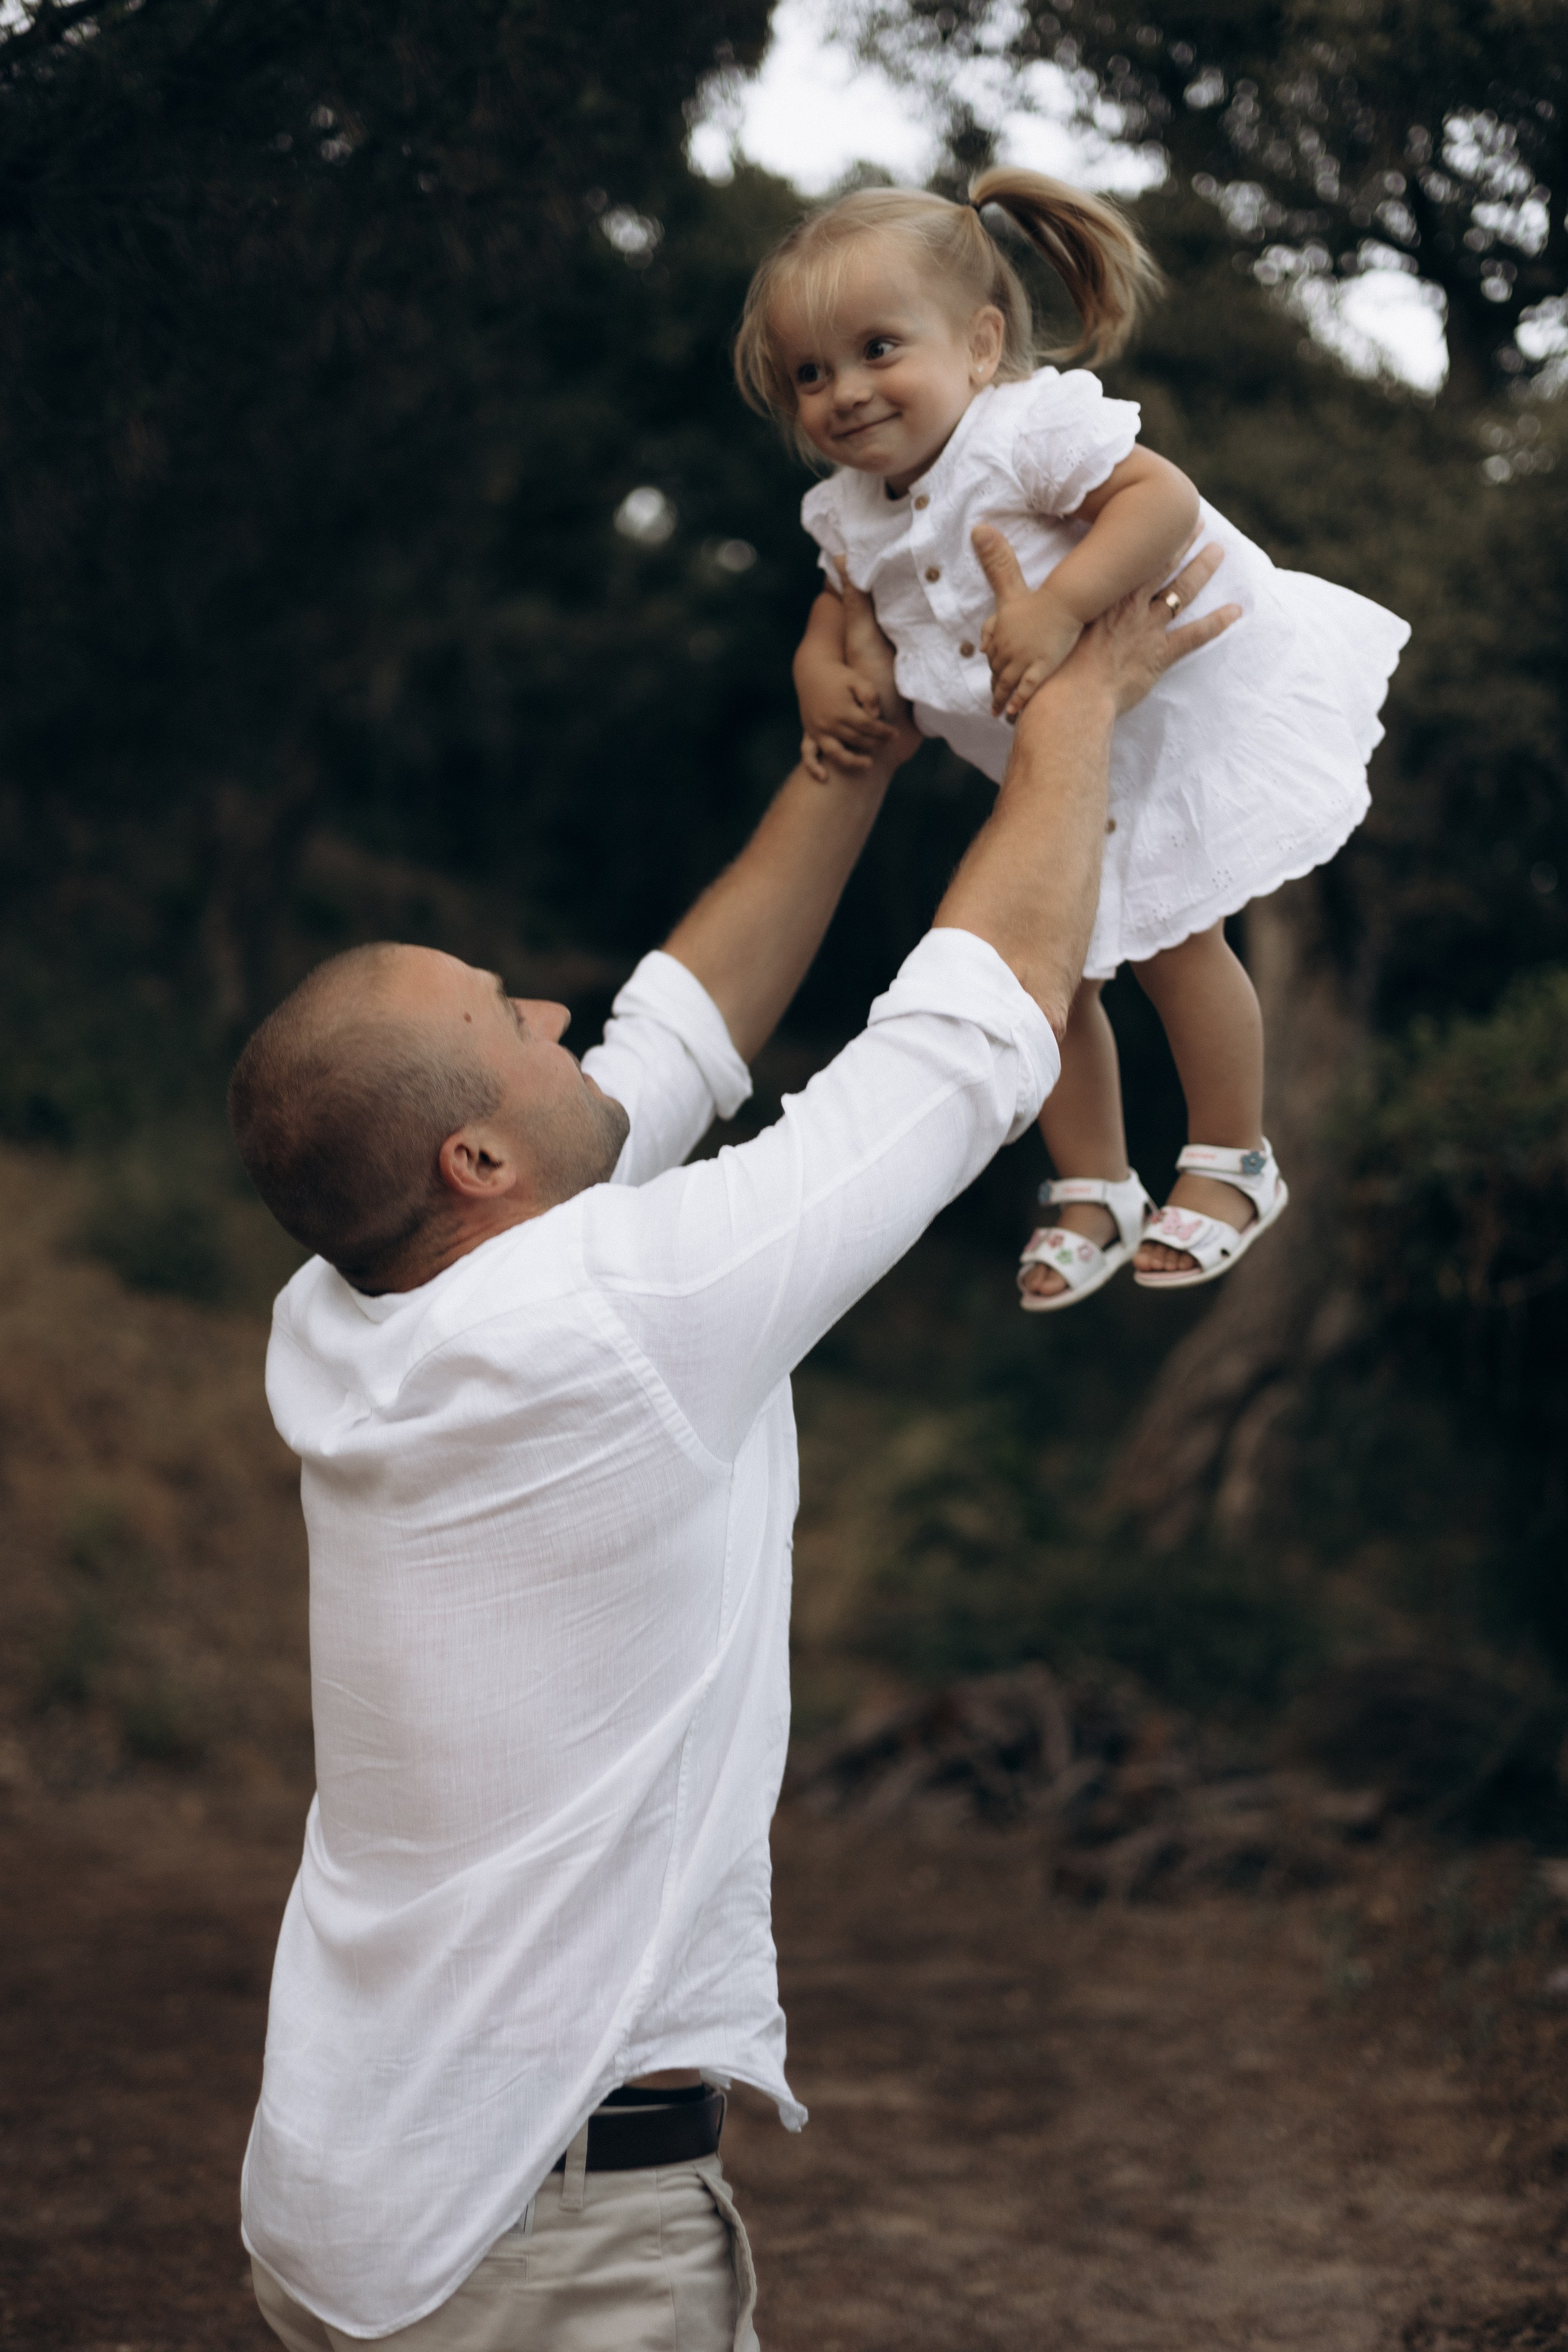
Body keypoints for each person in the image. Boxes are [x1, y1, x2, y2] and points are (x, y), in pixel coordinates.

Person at [227, 543, 1236, 2352]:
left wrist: (843, 765)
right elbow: (968, 1030)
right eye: (504, 1015)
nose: (552, 1011)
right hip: (527, 2242)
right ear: (476, 1163)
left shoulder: (351, 1311)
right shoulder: (609, 1311)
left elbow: (669, 1039)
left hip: (347, 2195)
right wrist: (1073, 704)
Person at [733, 172, 1410, 1312]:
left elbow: (1163, 502)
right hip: (1059, 774)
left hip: (1168, 723)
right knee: (1046, 977)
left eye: (877, 349)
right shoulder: (848, 507)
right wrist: (820, 680)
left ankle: (1234, 1159)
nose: (844, 393)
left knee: (1175, 946)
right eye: (811, 372)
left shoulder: (1023, 432)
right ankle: (1096, 1187)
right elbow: (836, 614)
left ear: (980, 343)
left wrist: (1059, 604)